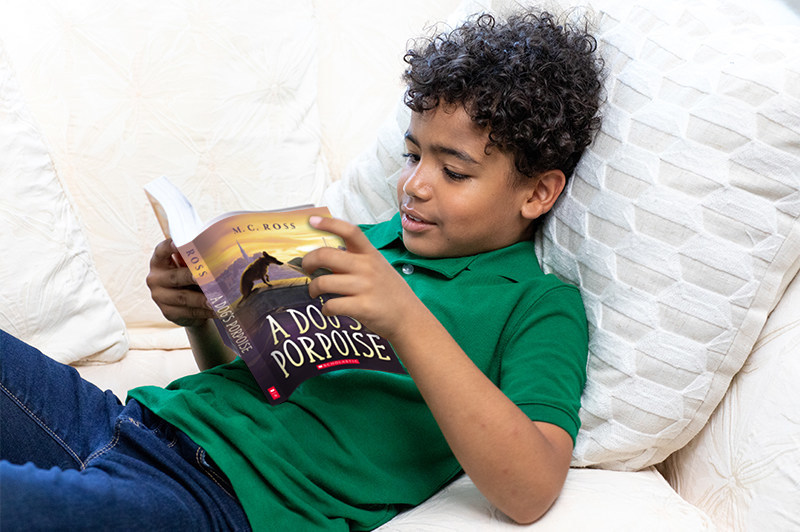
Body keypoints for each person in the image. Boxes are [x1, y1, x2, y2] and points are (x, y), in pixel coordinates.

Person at [0, 9, 603, 531]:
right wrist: (202, 313)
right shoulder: (366, 244)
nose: (414, 186)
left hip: (215, 499)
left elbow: (531, 490)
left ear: (538, 193)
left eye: (454, 171)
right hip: (132, 422)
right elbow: (261, 376)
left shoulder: (537, 304)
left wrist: (406, 318)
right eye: (413, 155)